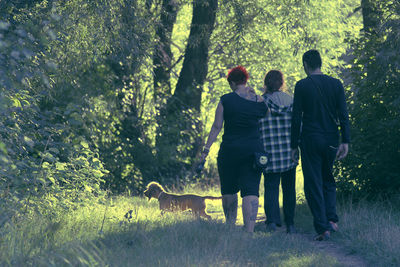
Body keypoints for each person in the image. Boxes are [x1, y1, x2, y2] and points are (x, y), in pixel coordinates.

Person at [291, 50, 350, 241]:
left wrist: (293, 145)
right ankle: (332, 220)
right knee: (328, 179)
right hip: (331, 139)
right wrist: (345, 140)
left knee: (313, 183)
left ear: (306, 64)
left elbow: (296, 118)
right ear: (321, 63)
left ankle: (322, 227)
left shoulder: (301, 86)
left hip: (310, 139)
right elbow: (343, 114)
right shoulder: (336, 84)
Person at [201, 66, 268, 232]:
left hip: (230, 151)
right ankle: (249, 231)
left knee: (229, 189)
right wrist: (256, 96)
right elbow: (267, 116)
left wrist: (206, 149)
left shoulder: (226, 100)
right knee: (251, 189)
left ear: (232, 82)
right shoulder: (258, 100)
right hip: (253, 151)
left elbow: (217, 126)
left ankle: (230, 227)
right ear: (246, 80)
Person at [259, 70, 298, 234]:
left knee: (271, 188)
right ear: (282, 83)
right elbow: (298, 126)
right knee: (289, 188)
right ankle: (290, 223)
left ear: (266, 84)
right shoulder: (292, 101)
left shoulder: (261, 102)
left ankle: (272, 222)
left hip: (270, 152)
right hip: (289, 152)